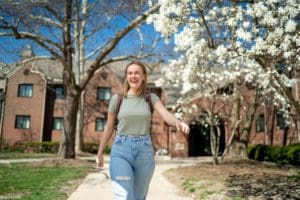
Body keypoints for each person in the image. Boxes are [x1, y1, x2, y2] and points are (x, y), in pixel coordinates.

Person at [97, 60, 190, 200]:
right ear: (126, 76)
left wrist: (178, 122)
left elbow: (166, 115)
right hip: (121, 150)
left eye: (137, 73)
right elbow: (109, 127)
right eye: (130, 73)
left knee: (139, 197)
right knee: (124, 195)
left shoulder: (150, 98)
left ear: (144, 76)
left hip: (144, 152)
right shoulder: (117, 99)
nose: (133, 76)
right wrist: (99, 153)